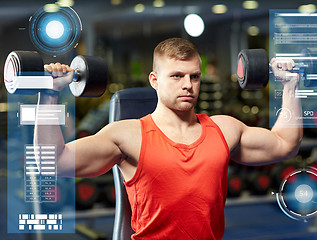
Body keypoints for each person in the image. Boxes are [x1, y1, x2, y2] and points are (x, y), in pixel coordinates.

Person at [35, 37, 302, 239]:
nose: (188, 85)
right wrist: (48, 95)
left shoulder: (224, 129)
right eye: (176, 76)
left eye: (194, 76)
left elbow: (285, 144)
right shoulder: (128, 135)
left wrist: (290, 87)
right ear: (155, 80)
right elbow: (55, 162)